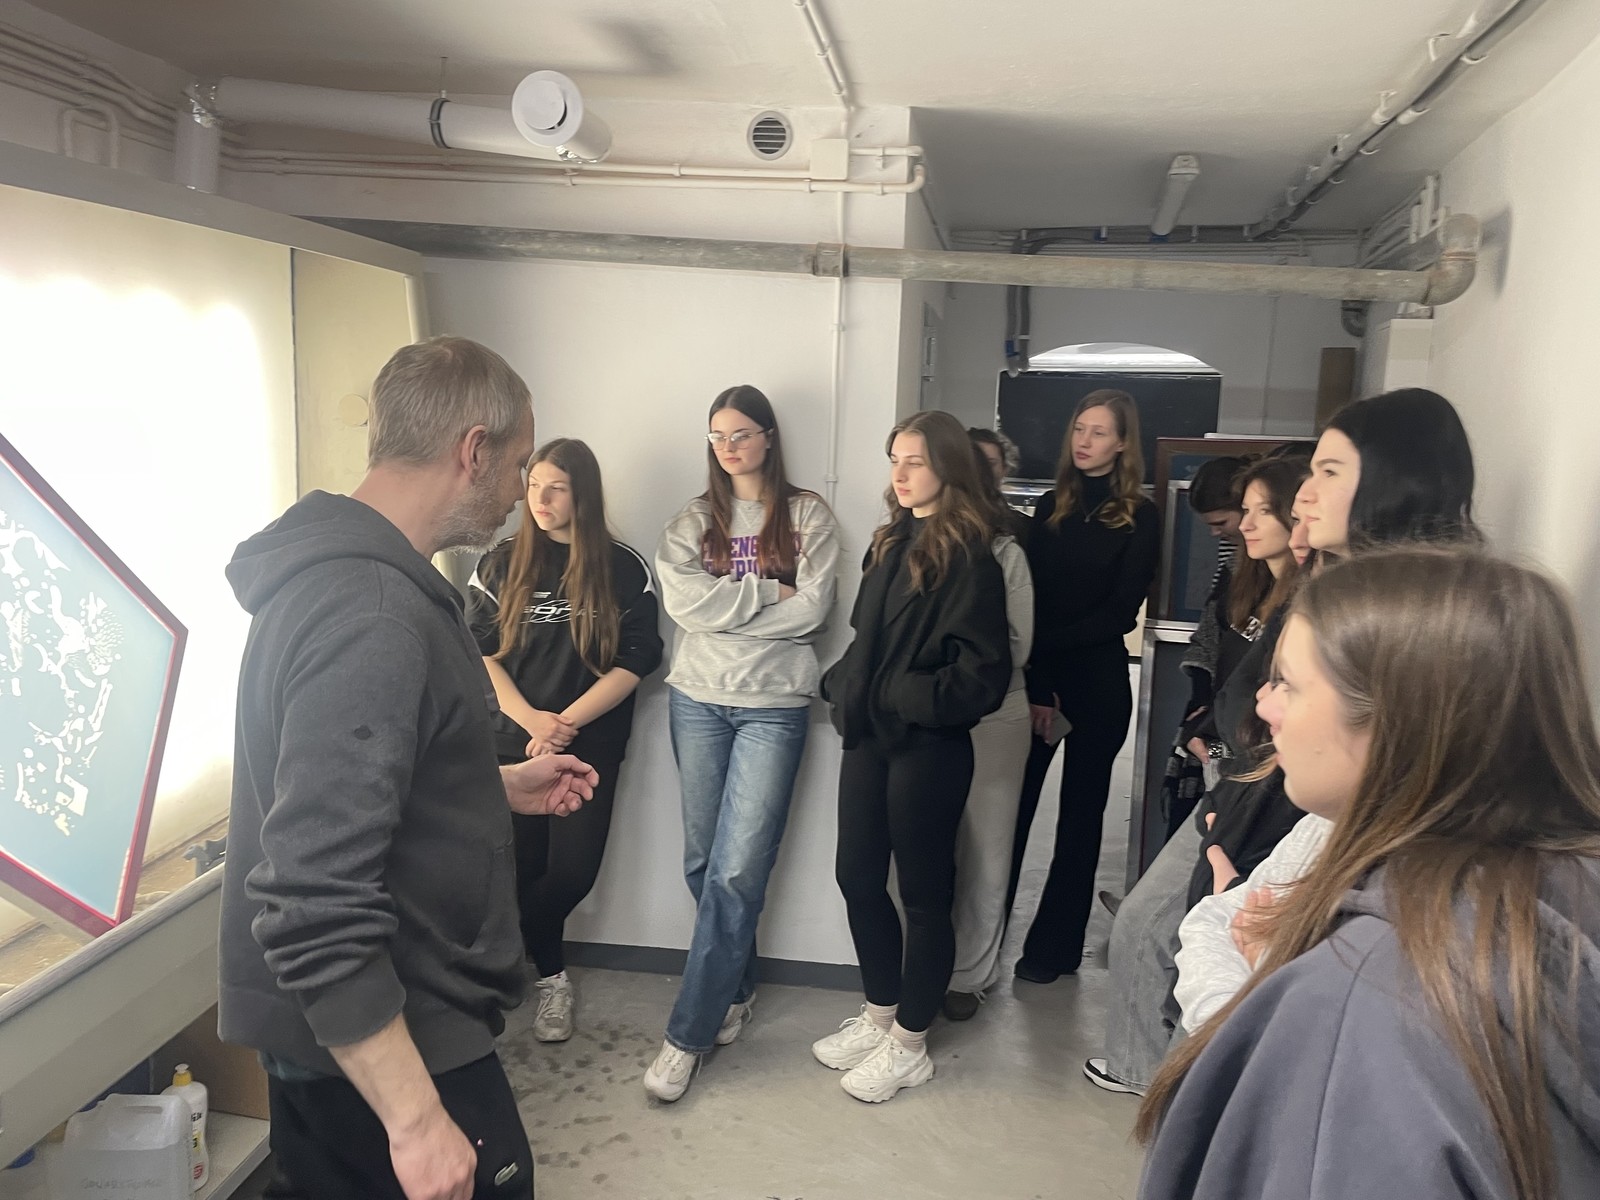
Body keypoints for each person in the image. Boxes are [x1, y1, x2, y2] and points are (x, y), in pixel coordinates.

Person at [220, 337, 599, 1200]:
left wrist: (487, 788)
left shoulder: (334, 579)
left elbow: (338, 788)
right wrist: (418, 1122)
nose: (520, 491)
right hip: (387, 1030)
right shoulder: (375, 612)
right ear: (474, 450)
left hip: (342, 1030)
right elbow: (312, 893)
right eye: (518, 464)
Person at [1137, 547, 1600, 1200]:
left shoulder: (1358, 1002)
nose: (1264, 707)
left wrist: (1273, 999)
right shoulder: (1564, 879)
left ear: (1394, 721)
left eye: (1288, 684)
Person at [1084, 389, 1482, 1098]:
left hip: (1294, 825)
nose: (1304, 498)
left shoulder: (1419, 618)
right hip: (1264, 810)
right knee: (1192, 941)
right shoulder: (1324, 584)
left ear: (1393, 479)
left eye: (1328, 471)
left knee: (1236, 993)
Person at [645, 385, 840, 1102]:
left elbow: (813, 613)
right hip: (696, 699)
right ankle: (736, 989)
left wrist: (724, 605)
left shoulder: (809, 515)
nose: (729, 448)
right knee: (703, 862)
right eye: (717, 436)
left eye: (741, 434)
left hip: (773, 708)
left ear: (768, 437)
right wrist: (767, 592)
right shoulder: (693, 519)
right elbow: (682, 606)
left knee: (736, 872)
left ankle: (686, 1037)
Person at [814, 409, 1012, 1101]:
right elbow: (864, 641)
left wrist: (900, 694)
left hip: (928, 746)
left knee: (926, 897)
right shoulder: (890, 542)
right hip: (870, 738)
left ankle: (910, 1042)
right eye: (894, 459)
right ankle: (880, 1011)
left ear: (948, 467)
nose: (899, 474)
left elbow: (984, 676)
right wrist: (842, 684)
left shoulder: (973, 557)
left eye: (915, 461)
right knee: (857, 877)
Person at [466, 438, 663, 1044]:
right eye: (533, 486)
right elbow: (479, 652)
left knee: (572, 873)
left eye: (557, 488)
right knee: (516, 869)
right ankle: (550, 978)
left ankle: (503, 958)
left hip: (589, 746)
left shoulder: (623, 567)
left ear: (584, 494)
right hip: (512, 743)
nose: (541, 499)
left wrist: (563, 725)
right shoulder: (499, 562)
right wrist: (532, 721)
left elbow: (636, 661)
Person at [1009, 389, 1160, 983]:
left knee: (1079, 823)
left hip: (1098, 683)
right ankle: (977, 951)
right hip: (1041, 681)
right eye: (1079, 428)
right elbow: (1030, 597)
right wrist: (1038, 679)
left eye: (1099, 432)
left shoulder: (1141, 515)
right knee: (1013, 814)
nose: (1085, 440)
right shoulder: (1051, 506)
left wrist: (1045, 647)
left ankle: (1053, 953)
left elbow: (1121, 612)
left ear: (1122, 443)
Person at [943, 431, 1037, 1021]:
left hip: (996, 711)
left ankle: (969, 976)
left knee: (986, 849)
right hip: (928, 715)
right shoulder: (908, 543)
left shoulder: (1007, 549)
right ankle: (920, 965)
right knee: (925, 849)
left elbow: (1019, 645)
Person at [966, 425, 1032, 545]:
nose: (983, 470)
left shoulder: (1021, 526)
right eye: (976, 462)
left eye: (990, 463)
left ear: (1005, 468)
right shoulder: (943, 519)